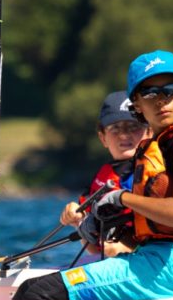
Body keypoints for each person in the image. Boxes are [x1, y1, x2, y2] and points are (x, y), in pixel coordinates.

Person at [12, 49, 173, 300]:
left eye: (170, 89)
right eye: (150, 93)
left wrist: (122, 198)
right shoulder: (161, 146)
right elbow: (155, 231)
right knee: (35, 287)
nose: (161, 100)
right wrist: (110, 225)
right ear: (137, 105)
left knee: (36, 293)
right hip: (161, 260)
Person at [59, 91, 150, 257]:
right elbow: (84, 213)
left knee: (111, 248)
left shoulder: (155, 171)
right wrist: (75, 214)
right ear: (103, 138)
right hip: (106, 255)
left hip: (147, 257)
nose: (124, 135)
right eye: (115, 128)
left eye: (133, 126)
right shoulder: (103, 174)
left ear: (149, 132)